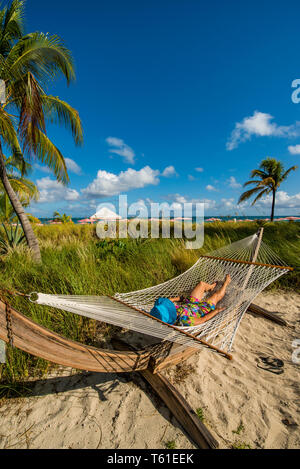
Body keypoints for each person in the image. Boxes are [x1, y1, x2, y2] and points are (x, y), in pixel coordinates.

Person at [150, 274, 231, 327]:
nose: (170, 307)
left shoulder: (160, 310)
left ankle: (210, 287)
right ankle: (226, 283)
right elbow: (203, 319)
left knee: (201, 284)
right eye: (169, 309)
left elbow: (166, 302)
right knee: (216, 296)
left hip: (189, 303)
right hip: (201, 310)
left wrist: (177, 299)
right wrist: (216, 311)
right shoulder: (184, 320)